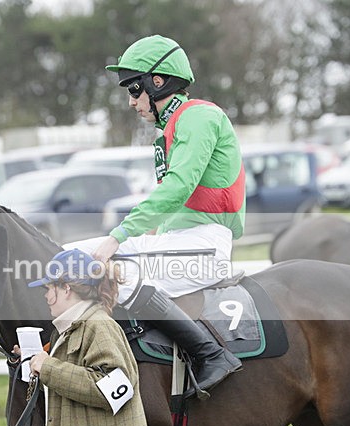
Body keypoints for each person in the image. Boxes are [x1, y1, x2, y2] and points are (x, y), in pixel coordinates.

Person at [65, 34, 243, 396]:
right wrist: (147, 234)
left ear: (156, 82)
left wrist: (119, 236)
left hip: (205, 246)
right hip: (180, 241)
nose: (131, 102)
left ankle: (210, 355)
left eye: (134, 90)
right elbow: (174, 204)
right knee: (69, 257)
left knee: (116, 271)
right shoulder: (167, 132)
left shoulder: (199, 117)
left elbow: (178, 187)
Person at [18, 248, 158, 426]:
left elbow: (115, 389)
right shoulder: (71, 329)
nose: (45, 296)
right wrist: (35, 360)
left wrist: (49, 368)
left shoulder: (100, 327)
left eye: (49, 288)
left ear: (66, 288)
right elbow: (74, 376)